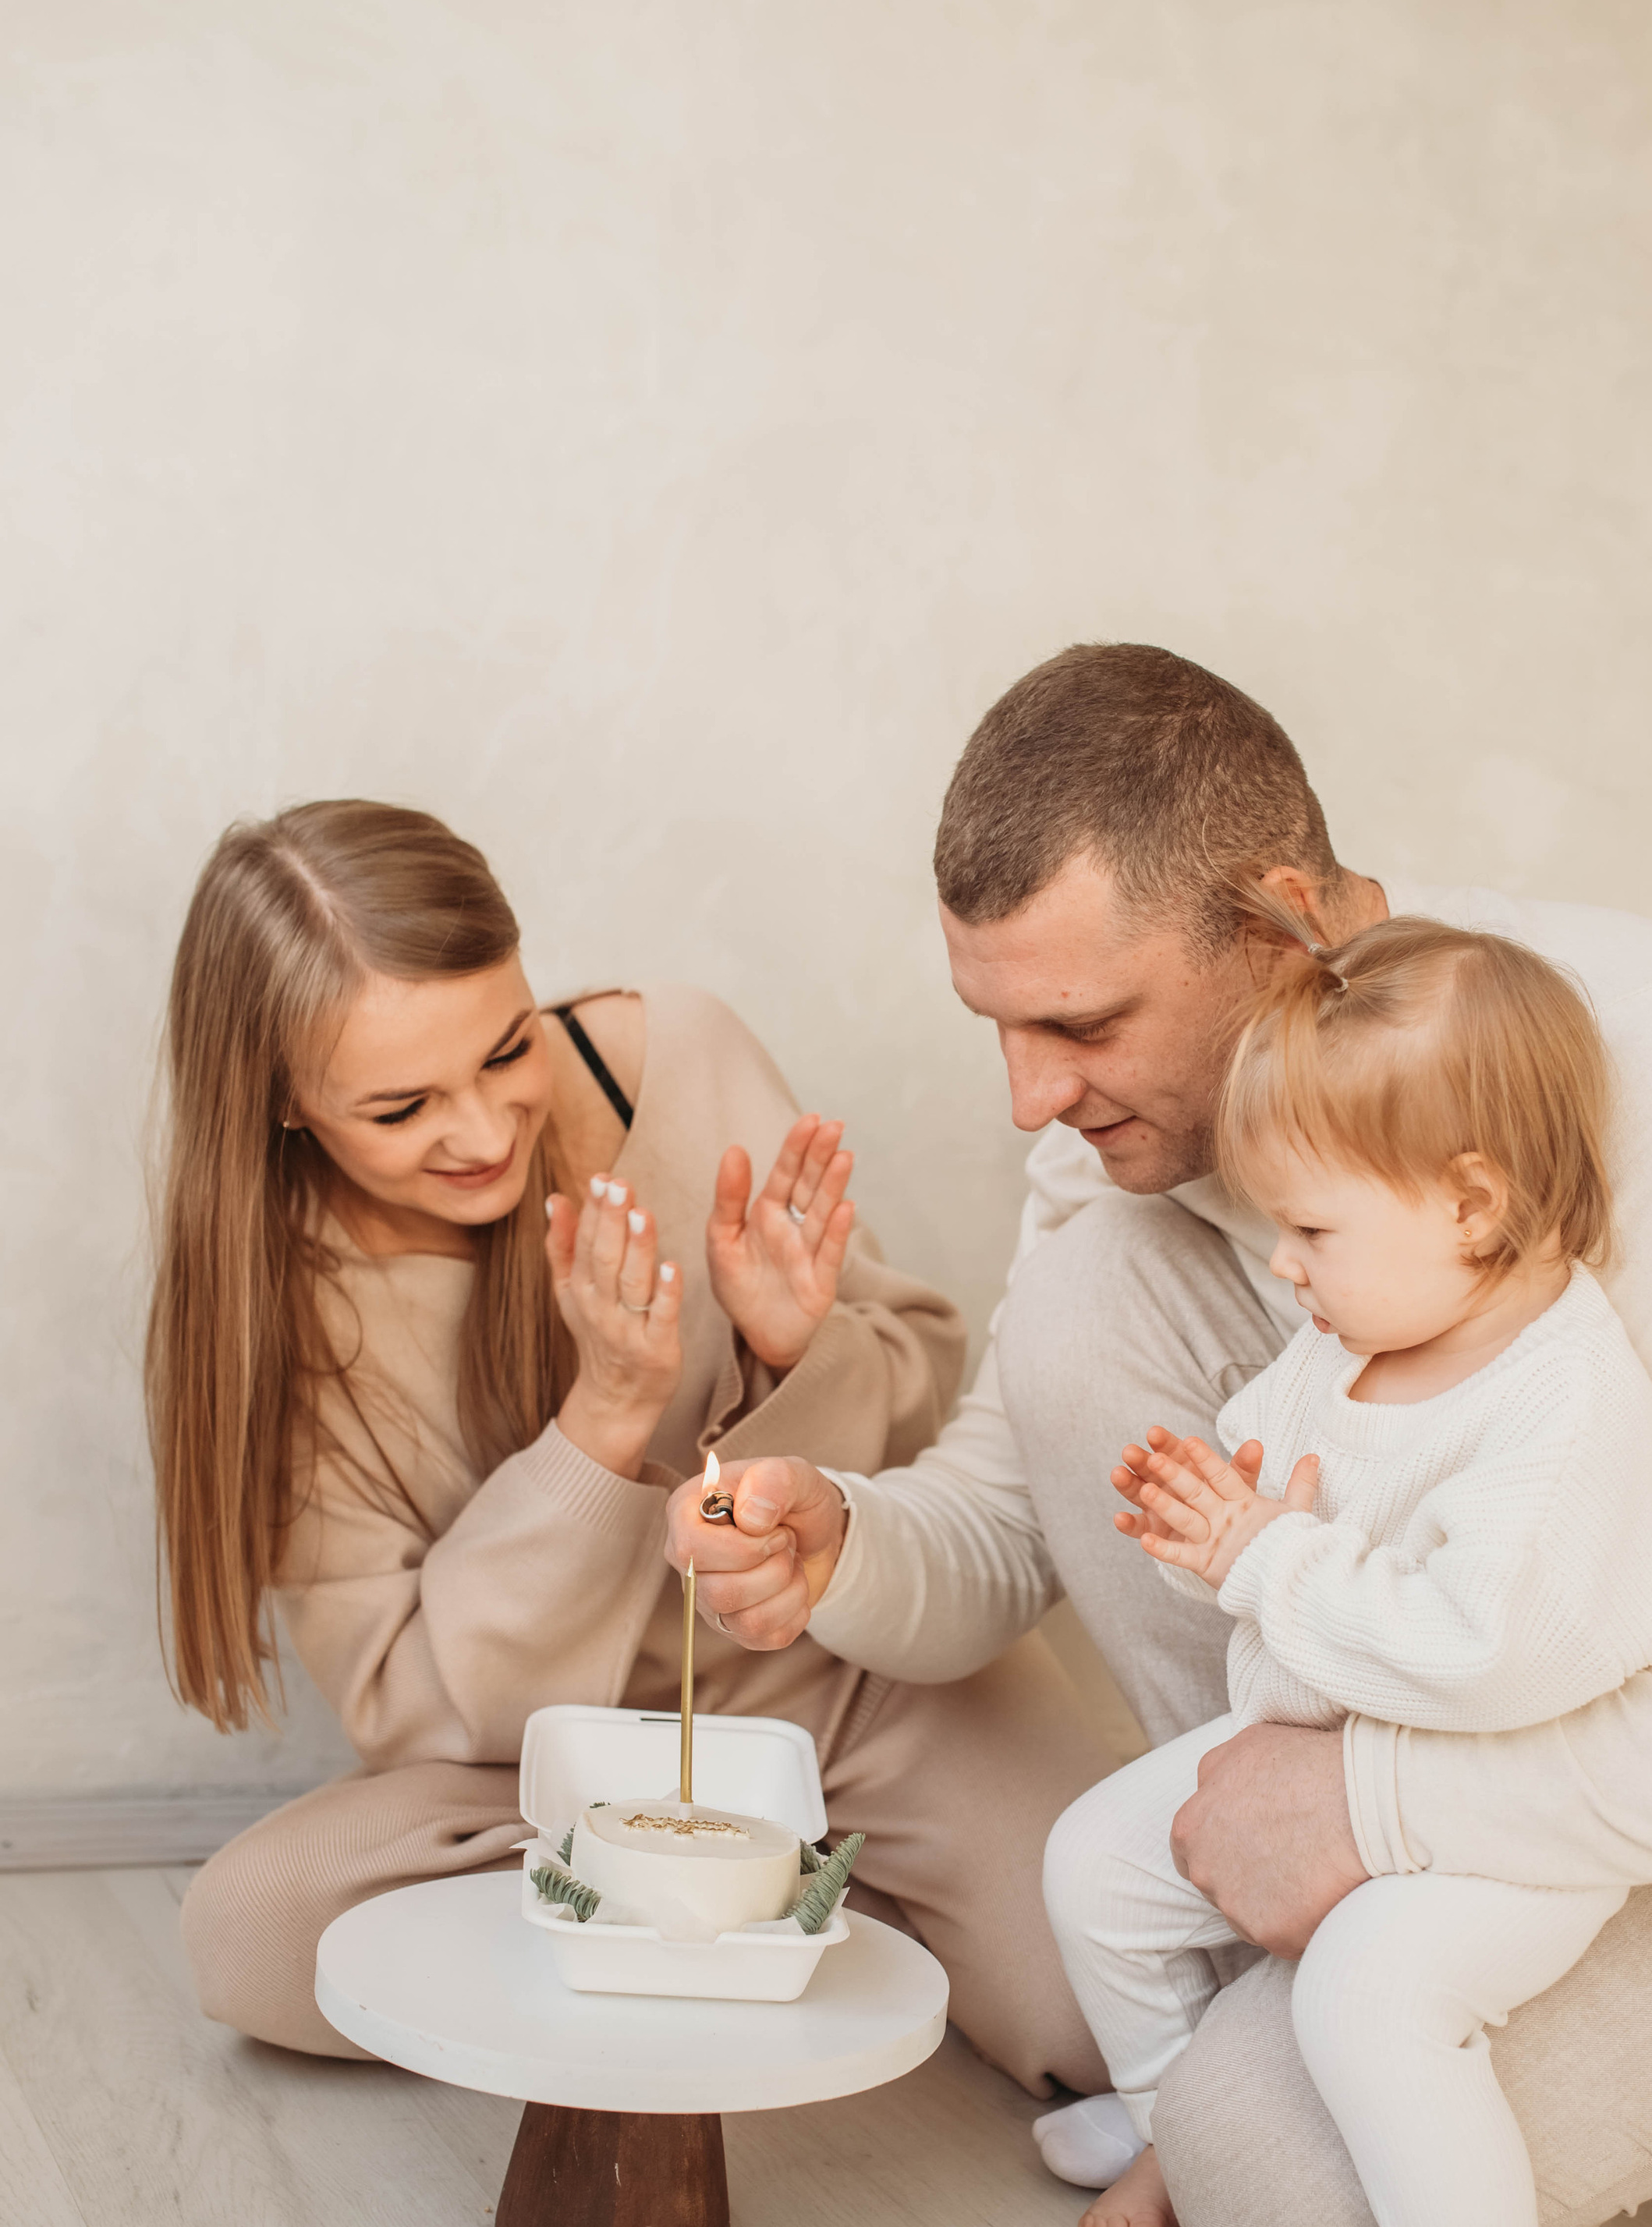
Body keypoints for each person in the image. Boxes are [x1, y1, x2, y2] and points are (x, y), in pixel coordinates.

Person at [665, 641, 1652, 2227]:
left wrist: (1379, 1806)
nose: (1030, 1100)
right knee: (1086, 1306)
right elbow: (1011, 1519)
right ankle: (1303, 1988)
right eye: (996, 1027)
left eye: (1079, 1025)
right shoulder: (1131, 1141)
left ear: (1285, 923)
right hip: (1449, 1733)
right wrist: (834, 1542)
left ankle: (1310, 2031)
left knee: (1285, 2206)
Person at [152, 800, 1111, 2090]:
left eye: (504, 1050)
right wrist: (598, 1424)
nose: (486, 1133)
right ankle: (770, 1922)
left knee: (1099, 2022)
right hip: (549, 1776)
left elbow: (923, 1432)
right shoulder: (282, 1313)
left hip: (854, 1691)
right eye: (400, 1107)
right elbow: (431, 1712)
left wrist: (796, 1346)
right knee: (258, 1935)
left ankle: (734, 1923)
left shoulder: (673, 1056)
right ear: (282, 1106)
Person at [1045, 910, 1652, 2227]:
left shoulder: (1558, 1406)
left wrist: (1259, 1559)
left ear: (1471, 1206)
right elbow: (1273, 1515)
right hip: (1347, 1744)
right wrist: (1203, 1517)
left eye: (1310, 1231)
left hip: (1526, 1804)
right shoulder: (1351, 1338)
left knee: (1375, 1996)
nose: (1279, 1267)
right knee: (1091, 1866)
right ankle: (1167, 2127)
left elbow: (1471, 1654)